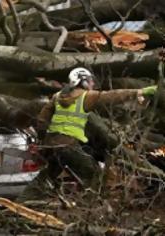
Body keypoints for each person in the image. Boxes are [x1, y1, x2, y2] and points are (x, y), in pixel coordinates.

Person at [18, 67, 157, 201]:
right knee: (94, 174)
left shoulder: (57, 97)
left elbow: (41, 121)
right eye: (89, 80)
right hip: (68, 144)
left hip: (52, 145)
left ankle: (21, 203)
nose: (92, 84)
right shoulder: (85, 97)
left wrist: (44, 142)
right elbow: (112, 96)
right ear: (82, 81)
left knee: (48, 175)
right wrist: (139, 92)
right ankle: (92, 207)